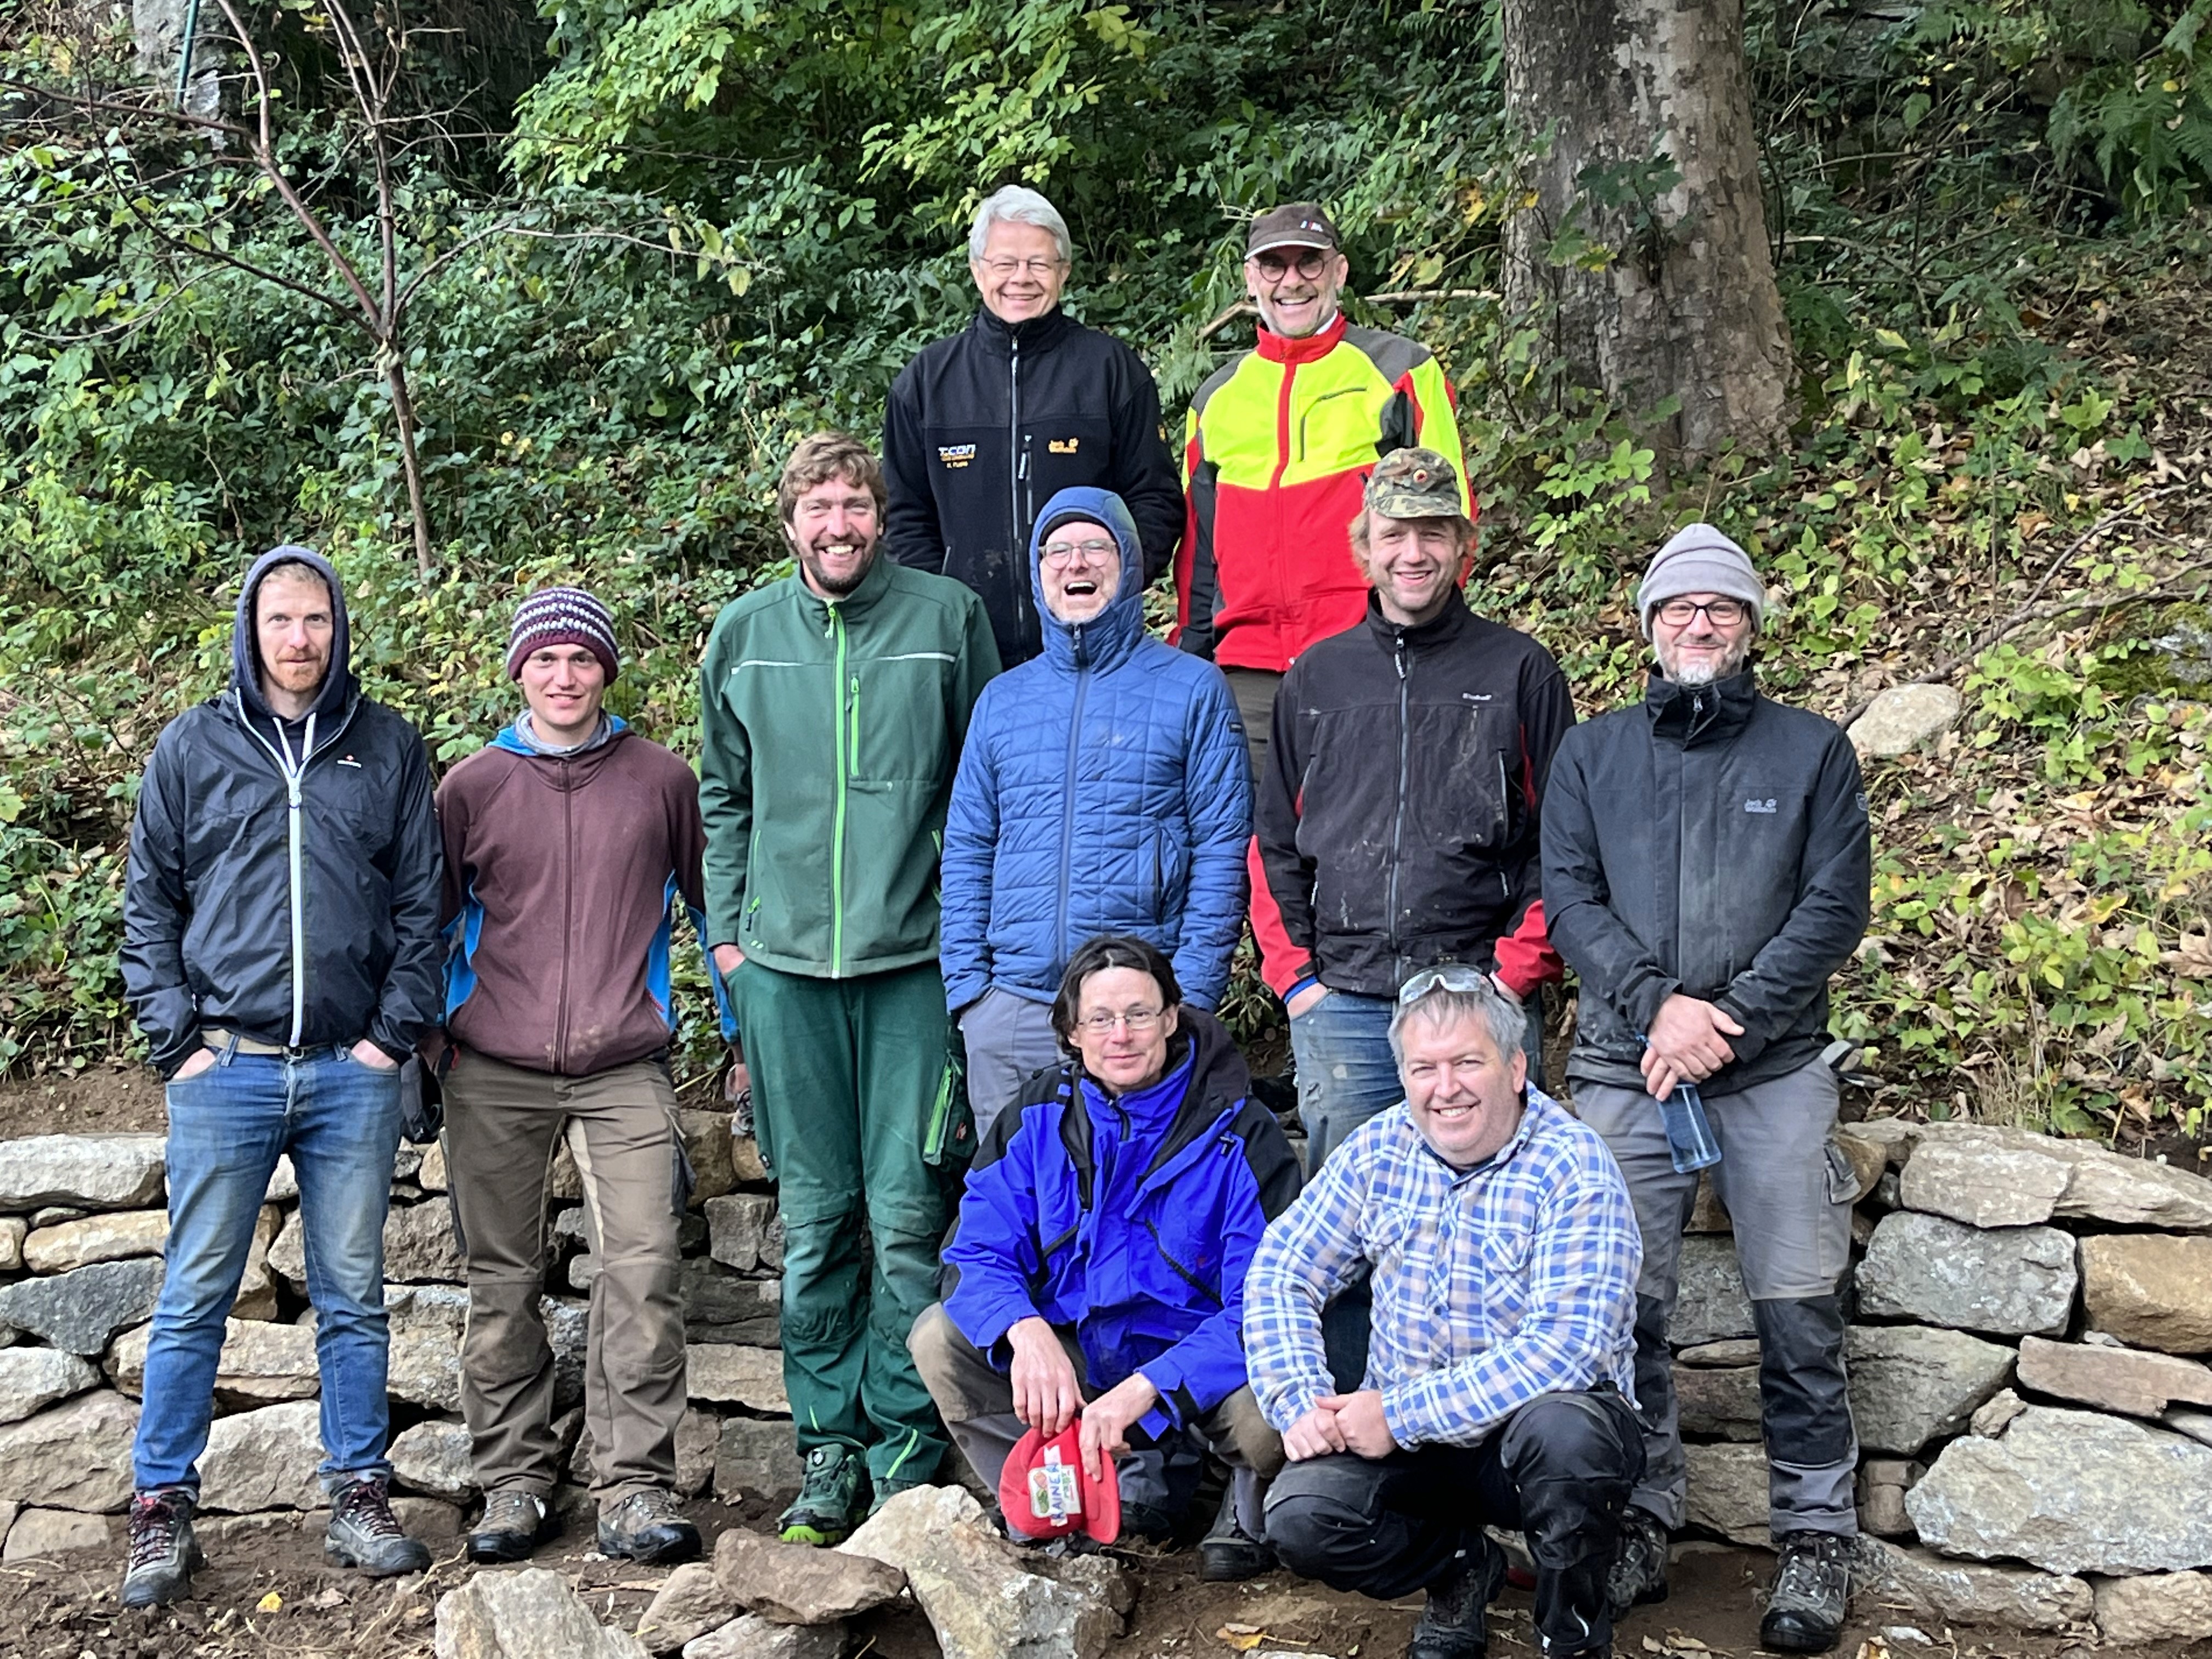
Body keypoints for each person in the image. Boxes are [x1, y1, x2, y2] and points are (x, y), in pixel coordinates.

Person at [1541, 525, 1872, 1655]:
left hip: (1769, 1066)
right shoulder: (1593, 756)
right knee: (1621, 1312)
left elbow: (1833, 909)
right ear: (1644, 627)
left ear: (1750, 627)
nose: (1698, 623)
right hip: (1627, 1067)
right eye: (1676, 607)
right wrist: (1658, 1005)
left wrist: (1724, 1024)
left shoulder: (1812, 751)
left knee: (1798, 1310)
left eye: (1719, 608)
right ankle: (1642, 1516)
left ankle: (1817, 1538)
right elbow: (1572, 900)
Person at [118, 546, 443, 1607]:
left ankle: (357, 1490)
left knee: (353, 1296)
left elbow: (421, 908)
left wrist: (390, 1038)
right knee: (193, 1294)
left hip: (350, 1071)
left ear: (339, 627)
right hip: (228, 1069)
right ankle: (163, 1507)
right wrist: (179, 1042)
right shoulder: (193, 746)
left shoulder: (386, 745)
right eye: (280, 620)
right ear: (249, 628)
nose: (299, 638)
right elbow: (149, 907)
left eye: (316, 619)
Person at [698, 432, 999, 1544]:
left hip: (913, 968)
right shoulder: (744, 635)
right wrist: (730, 944)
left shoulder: (943, 621)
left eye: (855, 505)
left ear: (881, 517)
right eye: (818, 506)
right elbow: (722, 800)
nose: (838, 524)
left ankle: (906, 1449)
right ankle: (826, 1455)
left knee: (911, 1216)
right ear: (789, 523)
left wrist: (966, 945)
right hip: (783, 975)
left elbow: (983, 788)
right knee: (819, 1225)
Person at [434, 585, 726, 1567]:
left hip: (623, 1063)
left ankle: (634, 1484)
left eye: (582, 658)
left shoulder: (662, 779)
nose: (564, 676)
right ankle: (513, 1478)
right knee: (500, 1278)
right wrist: (425, 1037)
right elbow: (426, 925)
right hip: (492, 1066)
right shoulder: (469, 786)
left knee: (642, 1269)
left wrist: (740, 1036)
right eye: (545, 660)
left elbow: (711, 907)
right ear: (518, 670)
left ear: (608, 668)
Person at [1244, 969, 1644, 1659]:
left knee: (1570, 1439)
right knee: (1302, 1516)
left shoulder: (1575, 1165)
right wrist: (1300, 1399)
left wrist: (1396, 1414)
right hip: (1414, 1448)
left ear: (1516, 1068)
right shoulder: (1377, 1149)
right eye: (1424, 1068)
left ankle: (1572, 1634)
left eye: (1467, 1062)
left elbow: (1565, 1351)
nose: (1445, 1087)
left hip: (1533, 1443)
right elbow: (1282, 1268)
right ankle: (1462, 1570)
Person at [912, 935, 1300, 1580]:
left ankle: (1239, 1505)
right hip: (1081, 1365)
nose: (1121, 1035)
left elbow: (1264, 1306)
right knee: (938, 1338)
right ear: (1071, 1032)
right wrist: (1025, 1328)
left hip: (1192, 1377)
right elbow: (974, 1249)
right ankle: (1056, 1494)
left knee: (1269, 1412)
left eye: (1139, 1014)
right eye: (1100, 1018)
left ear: (1172, 1018)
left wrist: (1155, 1386)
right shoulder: (1036, 1114)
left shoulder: (1242, 1132)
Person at [1253, 448, 1571, 1171]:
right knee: (1352, 1233)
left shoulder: (1521, 671)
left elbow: (1566, 843)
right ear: (1364, 549)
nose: (1413, 553)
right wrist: (1300, 983)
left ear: (1464, 545)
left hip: (1480, 995)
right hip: (1346, 1005)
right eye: (1393, 534)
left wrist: (1512, 975)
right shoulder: (1316, 677)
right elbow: (1272, 841)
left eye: (1433, 533)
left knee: (1502, 1209)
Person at [940, 486, 1251, 1139]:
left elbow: (1224, 849)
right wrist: (971, 992)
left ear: (1130, 566)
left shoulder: (1192, 688)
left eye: (1094, 547)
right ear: (1037, 571)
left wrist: (1186, 996)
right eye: (1058, 549)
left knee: (1133, 1210)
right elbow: (969, 846)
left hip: (1133, 1013)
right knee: (1019, 1211)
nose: (1075, 563)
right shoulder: (1003, 700)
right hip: (1013, 1010)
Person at [1176, 201, 1469, 782]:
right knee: (1255, 851)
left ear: (1338, 271)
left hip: (1367, 648)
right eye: (1274, 265)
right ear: (1250, 279)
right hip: (1248, 670)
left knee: (1374, 831)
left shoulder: (1401, 370)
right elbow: (1198, 551)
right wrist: (1193, 656)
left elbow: (1451, 520)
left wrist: (1433, 641)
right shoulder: (1215, 399)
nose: (1292, 281)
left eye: (1308, 263)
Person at [884, 184, 1183, 670]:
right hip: (966, 653)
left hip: (1096, 648)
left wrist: (1111, 589)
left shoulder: (1110, 371)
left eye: (1039, 264)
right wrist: (943, 608)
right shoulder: (926, 383)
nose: (1021, 279)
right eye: (1005, 264)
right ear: (978, 270)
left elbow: (1155, 500)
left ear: (1063, 272)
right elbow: (903, 516)